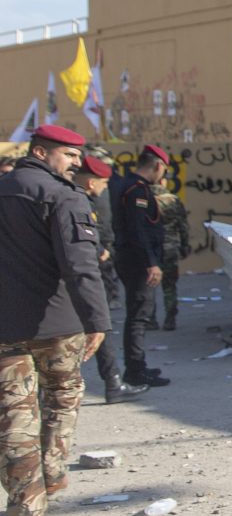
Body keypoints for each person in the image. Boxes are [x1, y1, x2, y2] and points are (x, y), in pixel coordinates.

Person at [0, 125, 110, 516]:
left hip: (5, 326)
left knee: (13, 415)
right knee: (63, 396)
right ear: (42, 152)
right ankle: (53, 471)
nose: (76, 165)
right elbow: (80, 265)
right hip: (58, 325)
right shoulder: (64, 196)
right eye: (69, 156)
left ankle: (25, 509)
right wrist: (97, 320)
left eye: (79, 158)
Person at [74, 156, 144, 403]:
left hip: (81, 273)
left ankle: (112, 380)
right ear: (92, 182)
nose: (105, 188)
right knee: (97, 327)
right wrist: (99, 250)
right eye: (103, 183)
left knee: (95, 328)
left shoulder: (75, 196)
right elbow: (80, 236)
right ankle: (112, 381)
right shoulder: (76, 199)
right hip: (83, 275)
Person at [109, 144, 170, 389]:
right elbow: (138, 230)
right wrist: (151, 264)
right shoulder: (137, 191)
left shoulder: (130, 185)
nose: (163, 174)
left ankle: (138, 365)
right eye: (163, 169)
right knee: (138, 316)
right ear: (157, 165)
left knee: (139, 314)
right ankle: (135, 370)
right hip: (137, 262)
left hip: (132, 259)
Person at [155, 182, 189, 330]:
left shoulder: (145, 198)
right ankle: (170, 317)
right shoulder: (174, 200)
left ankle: (149, 319)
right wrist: (184, 245)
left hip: (152, 249)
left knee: (148, 287)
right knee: (169, 286)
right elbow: (183, 226)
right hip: (170, 248)